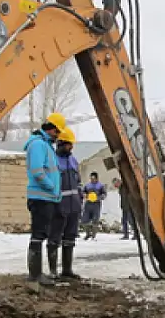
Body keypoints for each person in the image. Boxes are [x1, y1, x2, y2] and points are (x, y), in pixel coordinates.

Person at [24, 112, 66, 286]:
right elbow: (37, 171)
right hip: (41, 197)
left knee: (41, 233)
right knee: (38, 234)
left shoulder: (46, 145)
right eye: (57, 133)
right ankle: (35, 275)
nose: (58, 137)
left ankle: (37, 273)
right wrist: (51, 186)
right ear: (51, 129)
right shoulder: (38, 145)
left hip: (48, 198)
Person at [47, 127, 82, 279]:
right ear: (61, 143)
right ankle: (53, 271)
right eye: (69, 145)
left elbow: (78, 182)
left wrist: (80, 200)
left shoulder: (73, 160)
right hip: (58, 206)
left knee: (70, 238)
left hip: (74, 207)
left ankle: (67, 270)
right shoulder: (52, 161)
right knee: (54, 238)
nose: (71, 148)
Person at [80, 172, 107, 240]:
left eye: (94, 178)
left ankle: (93, 235)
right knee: (84, 220)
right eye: (91, 178)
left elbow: (104, 194)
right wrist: (84, 195)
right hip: (88, 204)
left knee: (95, 220)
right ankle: (88, 233)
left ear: (97, 178)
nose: (92, 180)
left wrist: (100, 197)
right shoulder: (87, 185)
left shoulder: (100, 186)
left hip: (96, 204)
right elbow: (83, 192)